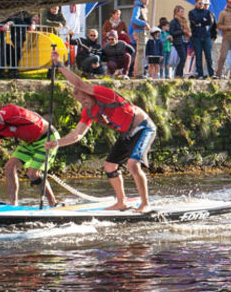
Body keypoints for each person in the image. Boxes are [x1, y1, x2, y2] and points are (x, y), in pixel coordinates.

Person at [48, 50, 156, 212]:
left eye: (84, 98)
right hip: (126, 133)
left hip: (143, 127)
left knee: (133, 165)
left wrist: (60, 66)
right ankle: (122, 202)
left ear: (91, 94)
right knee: (109, 165)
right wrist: (56, 143)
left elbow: (80, 84)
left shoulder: (105, 95)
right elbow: (77, 134)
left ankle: (145, 203)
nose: (83, 102)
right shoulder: (88, 111)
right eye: (79, 101)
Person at [188, 0, 216, 78]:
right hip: (196, 36)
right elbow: (193, 22)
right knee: (198, 56)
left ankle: (212, 74)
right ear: (195, 3)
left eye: (203, 3)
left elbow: (209, 22)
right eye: (200, 3)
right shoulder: (192, 12)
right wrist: (202, 21)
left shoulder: (207, 12)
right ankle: (200, 74)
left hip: (206, 35)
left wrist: (200, 23)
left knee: (209, 56)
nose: (201, 5)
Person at [169, 5, 192, 78]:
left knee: (183, 58)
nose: (183, 13)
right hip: (178, 42)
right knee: (183, 58)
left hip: (185, 41)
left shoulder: (183, 21)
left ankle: (180, 74)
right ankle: (177, 74)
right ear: (176, 12)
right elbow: (172, 32)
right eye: (181, 11)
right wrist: (182, 31)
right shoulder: (173, 22)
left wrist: (188, 33)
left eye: (183, 11)